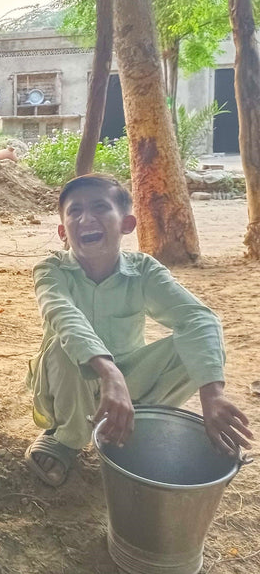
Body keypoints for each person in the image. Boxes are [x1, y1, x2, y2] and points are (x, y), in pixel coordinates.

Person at [25, 174, 253, 486]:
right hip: (66, 385)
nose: (86, 218)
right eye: (74, 211)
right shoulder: (51, 269)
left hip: (129, 386)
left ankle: (134, 424)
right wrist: (109, 372)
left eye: (100, 207)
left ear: (127, 224)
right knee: (63, 343)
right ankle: (67, 439)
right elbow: (63, 315)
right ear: (63, 231)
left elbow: (199, 319)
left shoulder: (144, 270)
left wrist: (211, 394)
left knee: (195, 339)